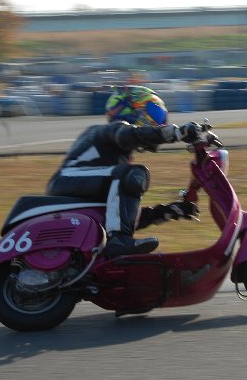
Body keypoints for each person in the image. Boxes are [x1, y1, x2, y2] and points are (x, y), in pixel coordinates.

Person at [46, 86, 202, 257]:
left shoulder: (118, 159)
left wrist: (167, 211)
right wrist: (175, 133)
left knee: (128, 178)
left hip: (74, 182)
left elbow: (122, 216)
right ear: (131, 110)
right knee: (133, 174)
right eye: (152, 111)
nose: (158, 121)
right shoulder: (111, 130)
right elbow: (129, 134)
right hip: (67, 177)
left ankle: (117, 242)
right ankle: (119, 241)